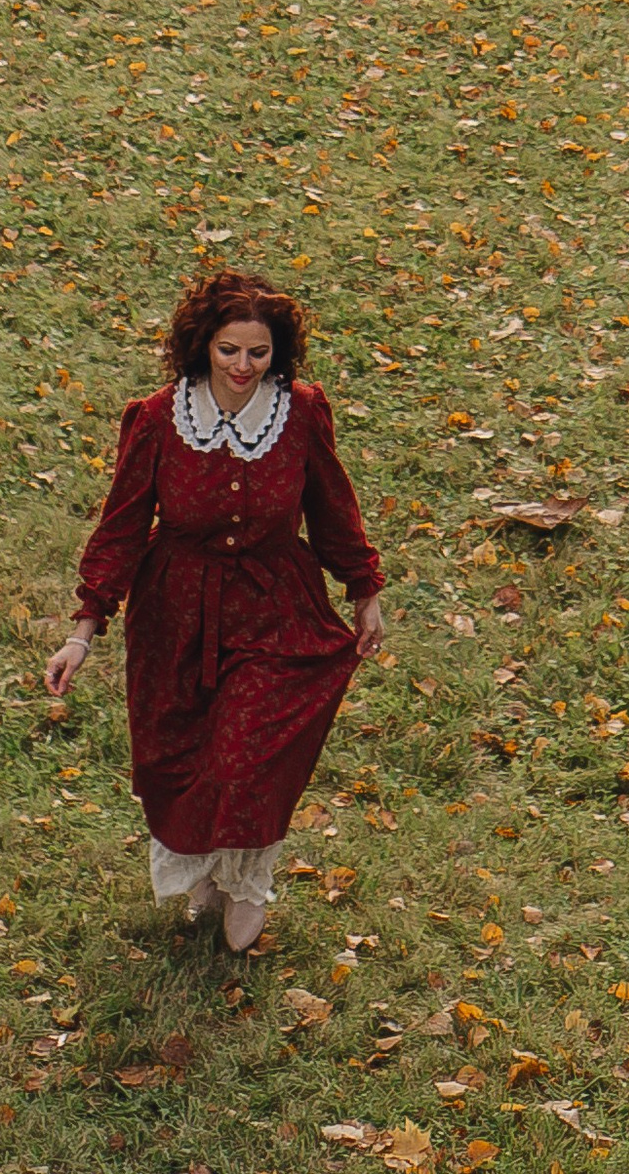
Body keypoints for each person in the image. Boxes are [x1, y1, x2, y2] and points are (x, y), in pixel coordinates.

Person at [44, 266, 385, 951]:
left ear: (276, 353)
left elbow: (332, 509)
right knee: (183, 758)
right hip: (175, 613)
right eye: (230, 349)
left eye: (258, 352)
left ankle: (248, 882)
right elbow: (121, 527)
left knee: (246, 758)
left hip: (274, 607)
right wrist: (83, 631)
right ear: (204, 344)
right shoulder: (157, 419)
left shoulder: (303, 413)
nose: (242, 365)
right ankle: (203, 872)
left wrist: (364, 590)